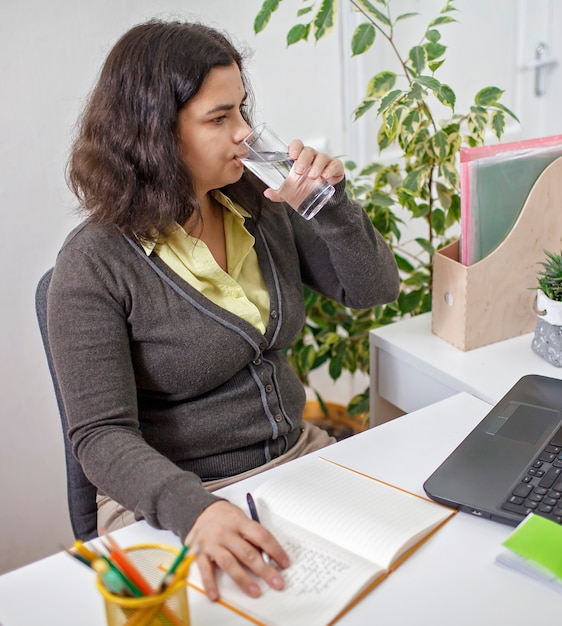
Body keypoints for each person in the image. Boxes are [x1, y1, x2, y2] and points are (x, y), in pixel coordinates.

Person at [47, 19, 400, 601]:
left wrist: (330, 205)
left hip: (296, 463)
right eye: (219, 118)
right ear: (153, 135)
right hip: (176, 499)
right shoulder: (95, 263)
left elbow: (372, 288)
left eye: (242, 110)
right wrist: (197, 511)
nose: (245, 133)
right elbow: (101, 436)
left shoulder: (264, 206)